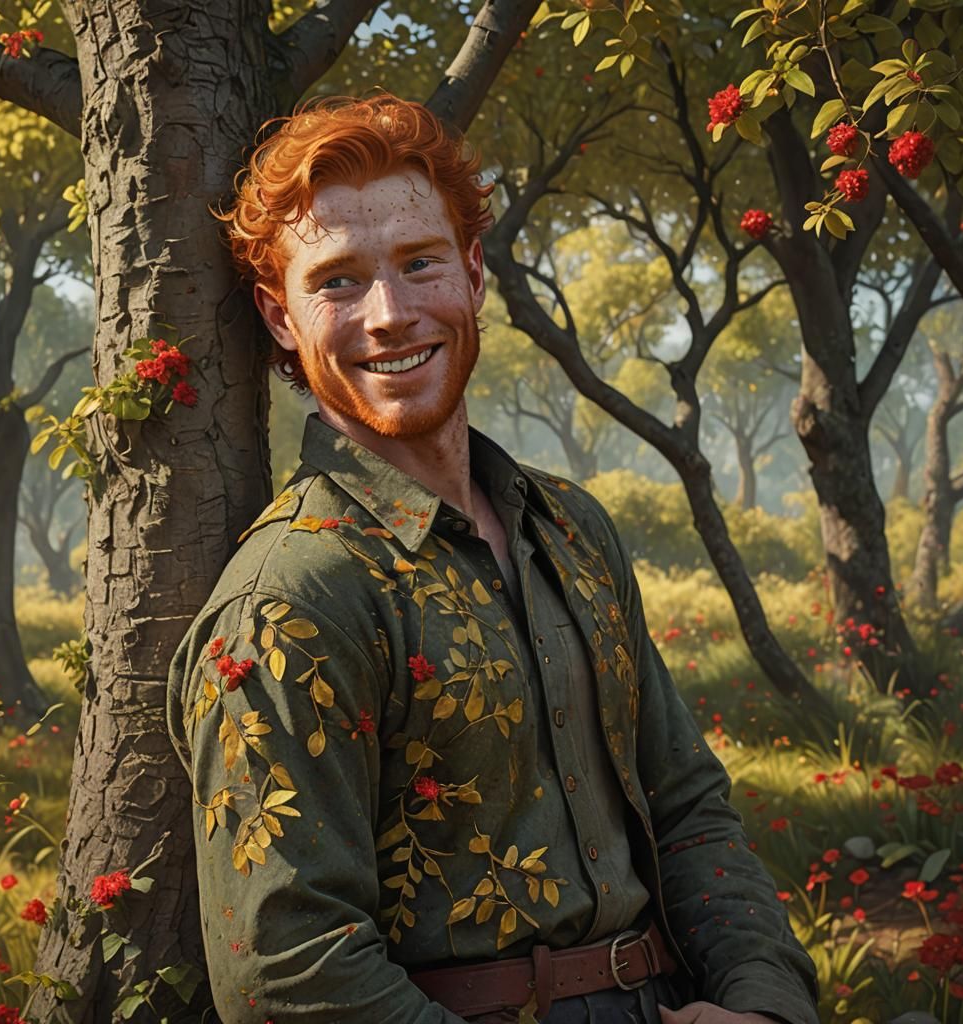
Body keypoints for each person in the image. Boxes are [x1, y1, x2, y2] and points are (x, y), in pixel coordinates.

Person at [166, 94, 819, 1024]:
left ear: (473, 274)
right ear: (280, 317)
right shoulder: (290, 599)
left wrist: (761, 1004)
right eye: (338, 282)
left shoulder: (574, 528)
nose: (390, 314)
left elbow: (688, 808)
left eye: (419, 262)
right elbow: (290, 974)